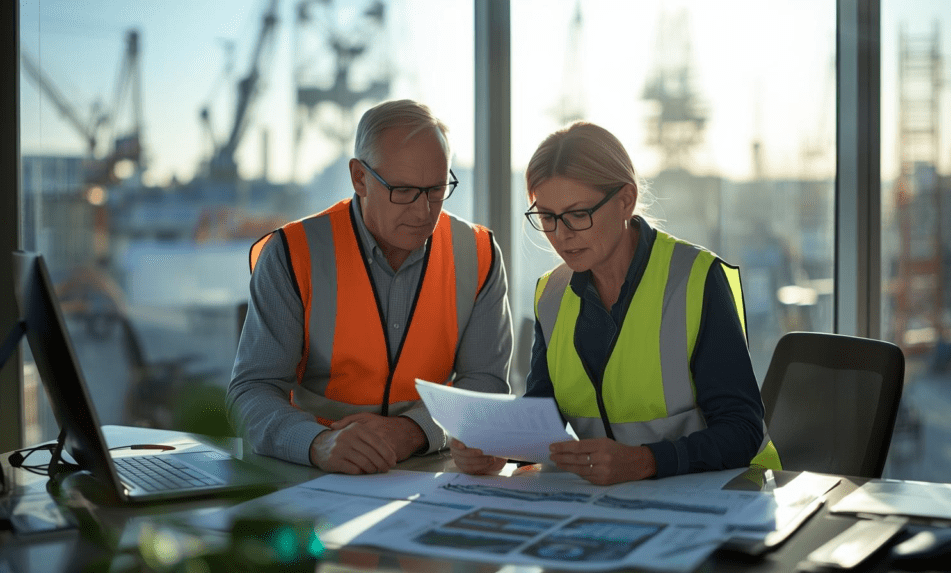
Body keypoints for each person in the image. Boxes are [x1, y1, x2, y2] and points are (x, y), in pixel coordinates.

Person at [452, 121, 780, 485]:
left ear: (625, 200)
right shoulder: (553, 294)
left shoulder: (695, 279)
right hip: (621, 504)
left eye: (578, 214)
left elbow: (742, 430)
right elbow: (542, 419)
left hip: (728, 496)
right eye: (547, 217)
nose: (561, 235)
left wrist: (645, 461)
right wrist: (494, 444)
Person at [228, 99, 513, 474]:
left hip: (429, 469)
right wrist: (316, 442)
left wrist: (412, 431)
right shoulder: (292, 253)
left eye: (437, 189)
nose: (423, 211)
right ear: (359, 178)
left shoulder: (478, 253)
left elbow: (487, 384)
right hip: (312, 470)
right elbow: (251, 391)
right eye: (404, 190)